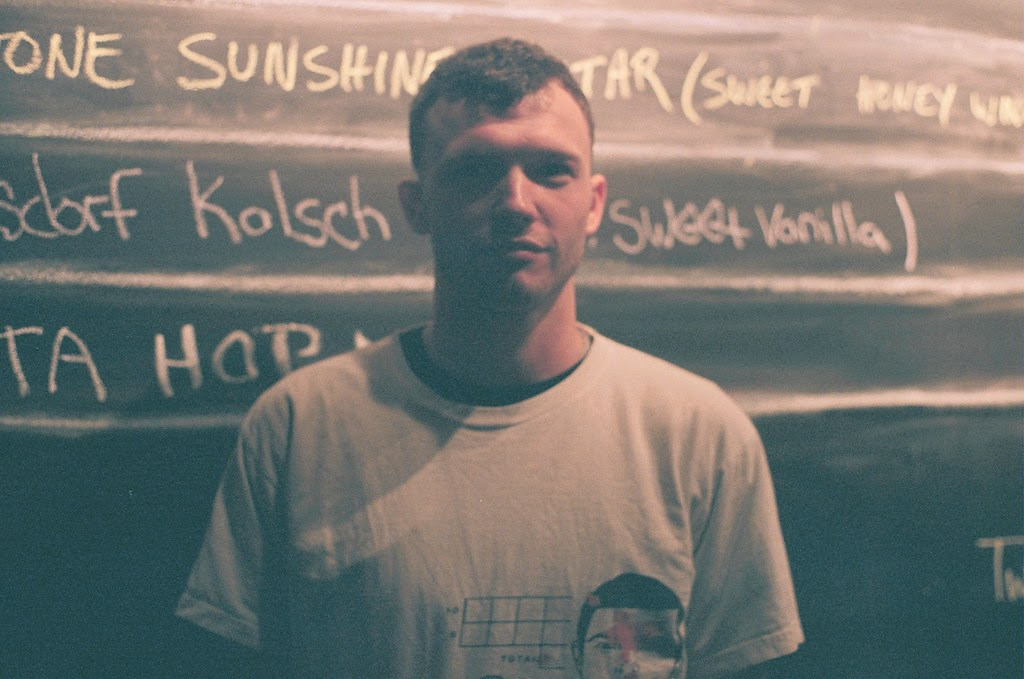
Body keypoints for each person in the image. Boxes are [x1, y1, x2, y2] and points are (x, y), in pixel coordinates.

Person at [176, 38, 803, 678]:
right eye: (474, 170)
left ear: (593, 203)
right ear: (417, 204)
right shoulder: (301, 426)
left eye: (552, 170)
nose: (515, 202)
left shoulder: (699, 435)